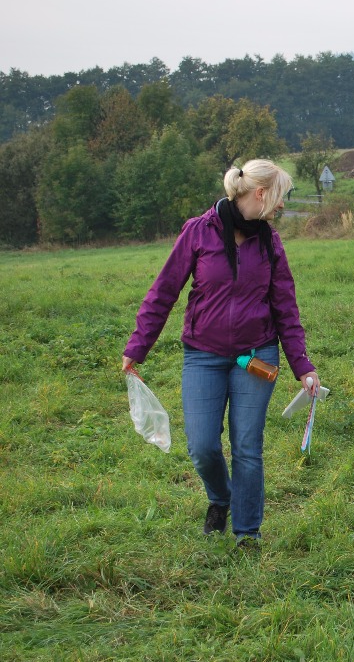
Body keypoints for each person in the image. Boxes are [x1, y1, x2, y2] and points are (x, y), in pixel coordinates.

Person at [122, 159, 320, 549]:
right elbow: (164, 291)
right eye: (279, 197)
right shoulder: (199, 231)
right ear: (260, 194)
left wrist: (302, 365)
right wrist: (137, 346)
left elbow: (285, 307)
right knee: (202, 447)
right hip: (203, 355)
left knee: (247, 446)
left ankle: (247, 533)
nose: (281, 206)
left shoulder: (270, 242)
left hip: (256, 356)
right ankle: (220, 498)